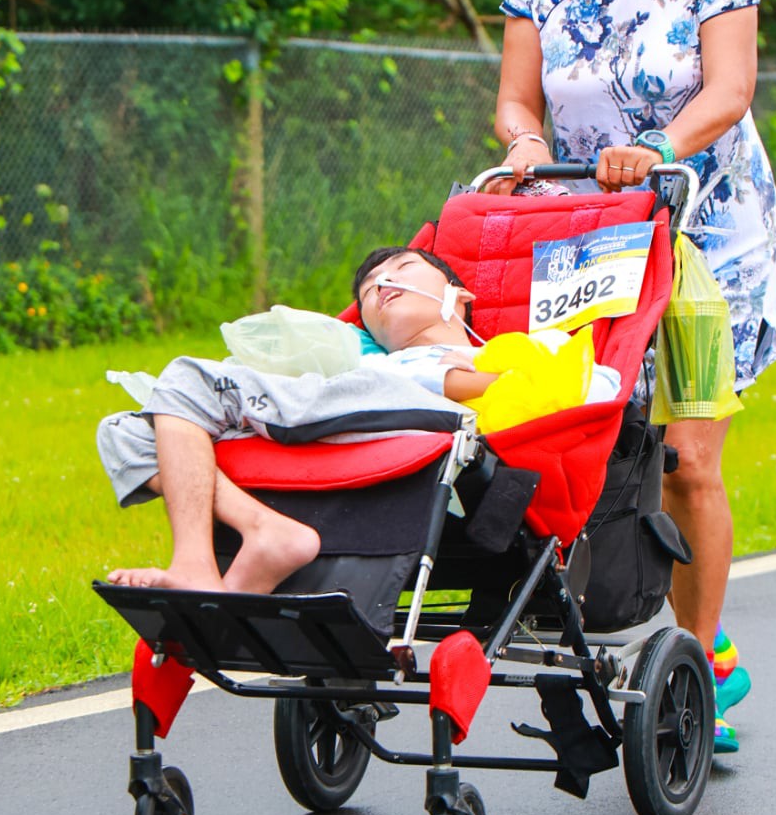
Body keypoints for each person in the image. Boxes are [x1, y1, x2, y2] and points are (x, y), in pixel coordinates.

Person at [488, 0, 776, 752]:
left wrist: (658, 148)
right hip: (590, 235)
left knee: (685, 459)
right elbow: (518, 98)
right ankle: (635, 630)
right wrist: (525, 144)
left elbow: (729, 89)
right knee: (590, 440)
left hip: (709, 231)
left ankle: (698, 668)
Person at [100, 247, 617, 595]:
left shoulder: (512, 351)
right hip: (339, 414)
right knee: (128, 431)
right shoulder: (368, 362)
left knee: (186, 379)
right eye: (370, 288)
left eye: (404, 269)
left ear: (460, 296)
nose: (384, 283)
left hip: (432, 428)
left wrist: (480, 378)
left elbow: (589, 389)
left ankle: (195, 566)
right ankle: (261, 533)